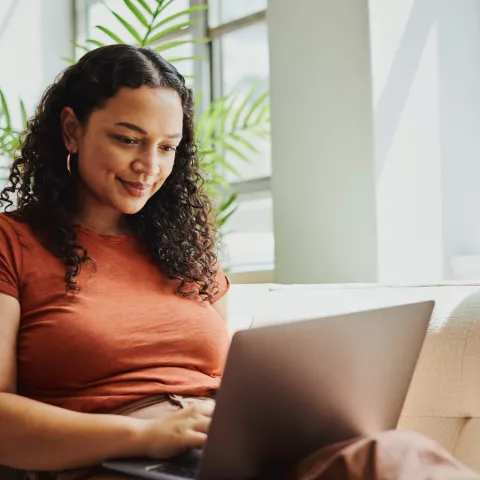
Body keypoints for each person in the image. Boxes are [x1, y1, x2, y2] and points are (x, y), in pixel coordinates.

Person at [0, 44, 477, 480]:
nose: (150, 165)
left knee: (394, 455)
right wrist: (147, 436)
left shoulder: (185, 252)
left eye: (167, 147)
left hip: (226, 456)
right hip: (115, 463)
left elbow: (231, 379)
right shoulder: (13, 243)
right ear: (71, 130)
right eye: (128, 139)